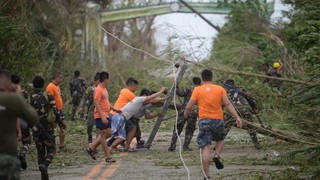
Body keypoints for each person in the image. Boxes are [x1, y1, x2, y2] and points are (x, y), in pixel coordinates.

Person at [183, 69, 243, 179]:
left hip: (204, 120)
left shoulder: (197, 89)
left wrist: (185, 114)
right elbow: (228, 104)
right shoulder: (220, 89)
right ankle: (217, 155)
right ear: (212, 78)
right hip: (218, 119)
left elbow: (189, 105)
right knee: (220, 140)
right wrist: (237, 117)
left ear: (202, 78)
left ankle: (207, 176)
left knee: (205, 148)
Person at [0, 69, 39, 180]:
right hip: (6, 158)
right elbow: (33, 119)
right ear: (9, 84)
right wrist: (18, 95)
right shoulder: (12, 99)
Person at [109, 87, 167, 152]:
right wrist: (161, 91)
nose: (149, 98)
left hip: (121, 117)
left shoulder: (140, 101)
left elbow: (153, 100)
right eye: (148, 96)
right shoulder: (139, 99)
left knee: (121, 135)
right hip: (120, 117)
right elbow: (152, 99)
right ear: (145, 96)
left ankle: (114, 147)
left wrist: (165, 98)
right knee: (115, 134)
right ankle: (111, 147)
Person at [29, 75, 64, 180]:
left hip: (35, 128)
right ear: (43, 85)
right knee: (52, 149)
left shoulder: (29, 98)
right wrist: (61, 125)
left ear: (33, 85)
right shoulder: (48, 96)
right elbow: (56, 112)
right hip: (47, 127)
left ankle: (43, 174)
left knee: (40, 151)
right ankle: (45, 165)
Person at [86, 71, 121, 163]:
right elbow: (96, 103)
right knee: (103, 134)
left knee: (108, 134)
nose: (108, 81)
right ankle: (108, 156)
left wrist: (115, 109)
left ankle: (92, 147)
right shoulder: (98, 89)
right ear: (105, 79)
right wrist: (102, 116)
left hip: (106, 114)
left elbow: (106, 103)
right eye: (108, 79)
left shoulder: (104, 89)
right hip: (100, 116)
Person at [222, 79, 260, 149]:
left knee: (226, 126)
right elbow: (251, 98)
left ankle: (218, 145)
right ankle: (256, 144)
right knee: (250, 127)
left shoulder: (224, 91)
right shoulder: (240, 89)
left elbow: (222, 103)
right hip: (245, 108)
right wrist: (254, 108)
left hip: (232, 110)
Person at [168, 77, 201, 151]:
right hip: (194, 112)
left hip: (184, 110)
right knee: (190, 130)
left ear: (193, 82)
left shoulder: (189, 88)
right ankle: (186, 146)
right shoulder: (201, 90)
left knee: (178, 128)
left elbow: (180, 93)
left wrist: (176, 85)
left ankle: (172, 146)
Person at [107, 78, 139, 146]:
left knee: (121, 131)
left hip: (113, 114)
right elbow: (140, 101)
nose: (136, 89)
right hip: (117, 115)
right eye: (136, 87)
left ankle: (114, 144)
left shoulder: (124, 91)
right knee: (132, 128)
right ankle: (126, 147)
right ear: (133, 86)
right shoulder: (129, 93)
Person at [11, 74, 33, 170]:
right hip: (23, 121)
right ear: (19, 82)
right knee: (27, 141)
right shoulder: (24, 93)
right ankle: (22, 154)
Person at [46, 72, 67, 151]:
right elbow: (49, 99)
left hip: (60, 109)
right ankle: (52, 145)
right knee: (54, 127)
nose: (61, 80)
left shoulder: (57, 86)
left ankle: (61, 145)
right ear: (56, 78)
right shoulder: (50, 87)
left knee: (63, 126)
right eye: (60, 78)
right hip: (54, 110)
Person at [78, 72, 100, 143]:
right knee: (90, 125)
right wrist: (81, 107)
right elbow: (84, 98)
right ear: (96, 81)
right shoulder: (90, 89)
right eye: (99, 81)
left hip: (100, 110)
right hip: (91, 109)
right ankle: (89, 134)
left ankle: (96, 142)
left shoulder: (102, 89)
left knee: (99, 127)